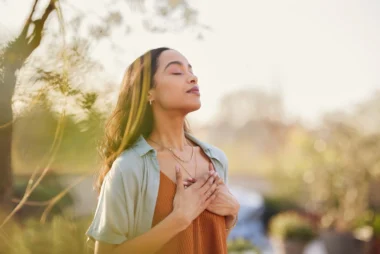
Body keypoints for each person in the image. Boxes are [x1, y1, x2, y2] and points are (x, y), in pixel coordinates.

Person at [86, 47, 240, 254]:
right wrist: (179, 219)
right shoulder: (129, 167)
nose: (193, 78)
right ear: (149, 92)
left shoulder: (216, 159)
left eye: (191, 71)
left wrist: (232, 215)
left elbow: (209, 241)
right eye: (177, 72)